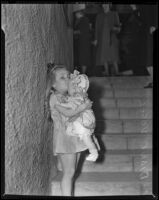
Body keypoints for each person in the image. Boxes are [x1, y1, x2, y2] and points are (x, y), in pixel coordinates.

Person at [45, 63, 92, 196]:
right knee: (69, 172)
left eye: (68, 76)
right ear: (53, 84)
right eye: (62, 78)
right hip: (64, 138)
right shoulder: (54, 97)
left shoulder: (68, 96)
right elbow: (67, 113)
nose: (67, 79)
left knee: (72, 171)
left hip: (74, 137)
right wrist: (82, 108)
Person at [57, 70, 100, 161]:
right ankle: (93, 146)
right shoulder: (77, 96)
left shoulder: (79, 96)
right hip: (79, 119)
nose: (71, 89)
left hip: (82, 119)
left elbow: (72, 106)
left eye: (73, 87)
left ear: (78, 88)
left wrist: (62, 104)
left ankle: (93, 152)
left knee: (85, 135)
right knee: (77, 133)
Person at [93, 3, 121, 76]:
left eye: (106, 4)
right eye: (103, 4)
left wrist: (115, 29)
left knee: (113, 55)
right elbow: (97, 28)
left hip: (112, 38)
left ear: (109, 5)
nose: (105, 6)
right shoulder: (99, 16)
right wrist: (96, 39)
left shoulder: (114, 14)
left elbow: (119, 28)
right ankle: (107, 72)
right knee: (104, 55)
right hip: (102, 38)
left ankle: (117, 72)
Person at [74, 9, 91, 74]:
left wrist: (74, 32)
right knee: (81, 57)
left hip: (84, 41)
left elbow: (83, 31)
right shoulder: (79, 20)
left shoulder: (84, 20)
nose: (75, 14)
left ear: (79, 13)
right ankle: (82, 72)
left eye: (76, 13)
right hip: (80, 41)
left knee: (84, 57)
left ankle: (84, 73)